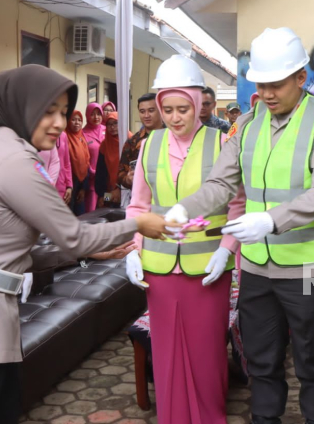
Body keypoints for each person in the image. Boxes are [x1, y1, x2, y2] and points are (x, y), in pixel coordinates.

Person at [0, 64, 168, 424]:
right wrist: (139, 223)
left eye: (63, 112)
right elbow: (72, 235)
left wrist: (94, 250)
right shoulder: (15, 162)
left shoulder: (9, 152)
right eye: (47, 111)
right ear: (20, 108)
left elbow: (20, 247)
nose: (57, 122)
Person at [161, 27, 314, 424]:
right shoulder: (245, 125)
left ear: (301, 77)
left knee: (312, 361)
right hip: (257, 268)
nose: (267, 93)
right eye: (261, 84)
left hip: (309, 265)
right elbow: (220, 184)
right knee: (261, 362)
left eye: (276, 84)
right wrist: (183, 208)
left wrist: (270, 220)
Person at [121, 55, 240, 424]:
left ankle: (209, 416)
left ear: (198, 104)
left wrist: (226, 251)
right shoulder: (149, 146)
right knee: (167, 351)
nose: (175, 117)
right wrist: (132, 251)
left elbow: (238, 206)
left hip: (207, 268)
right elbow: (138, 205)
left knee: (207, 351)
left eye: (183, 108)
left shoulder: (221, 143)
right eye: (167, 109)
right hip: (158, 268)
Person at [118, 93, 164, 202]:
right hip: (141, 200)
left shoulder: (172, 137)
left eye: (151, 110)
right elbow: (120, 173)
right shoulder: (132, 142)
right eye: (142, 111)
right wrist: (127, 179)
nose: (146, 115)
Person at [65, 111, 90, 215]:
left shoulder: (82, 138)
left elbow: (86, 161)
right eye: (73, 119)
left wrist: (84, 188)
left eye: (79, 120)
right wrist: (68, 186)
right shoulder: (64, 137)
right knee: (69, 213)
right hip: (70, 182)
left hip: (83, 181)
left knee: (81, 214)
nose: (77, 123)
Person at [95, 113, 122, 208]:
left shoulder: (130, 140)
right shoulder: (105, 144)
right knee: (109, 211)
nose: (112, 127)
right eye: (109, 124)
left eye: (115, 123)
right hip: (109, 193)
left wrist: (120, 188)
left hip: (127, 190)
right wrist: (102, 196)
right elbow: (100, 172)